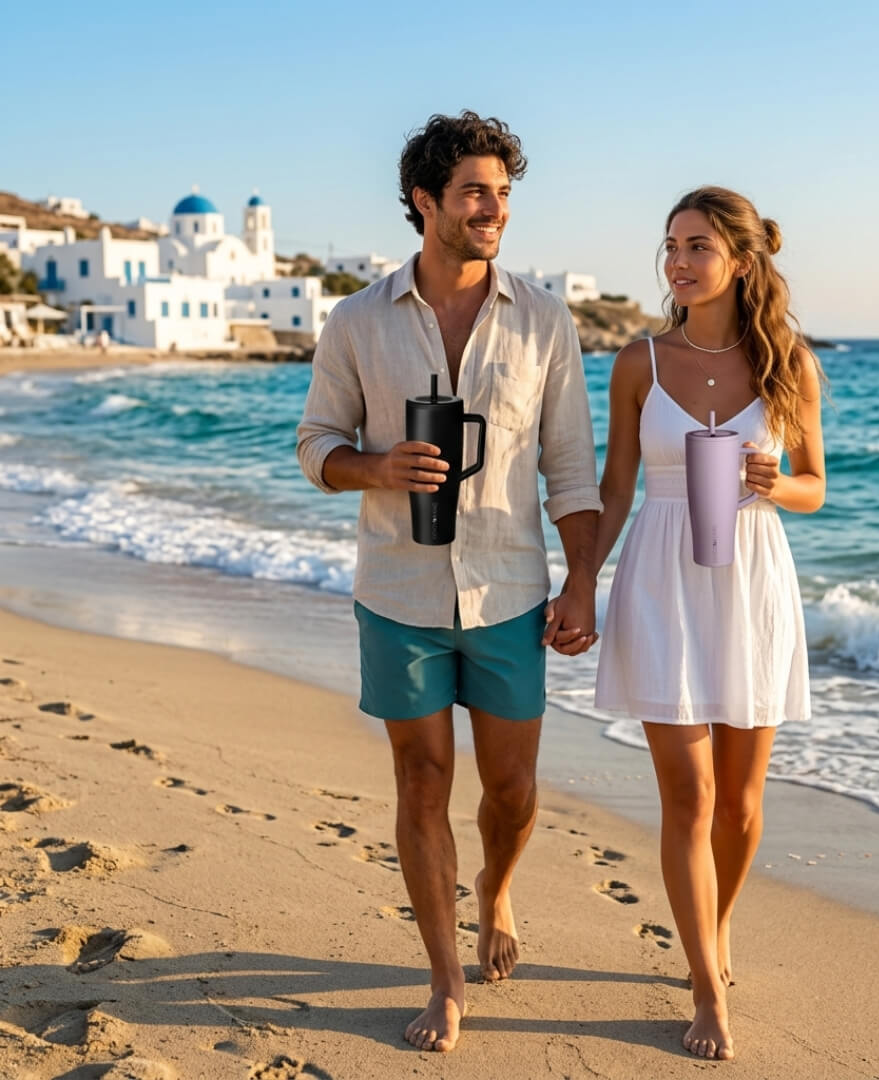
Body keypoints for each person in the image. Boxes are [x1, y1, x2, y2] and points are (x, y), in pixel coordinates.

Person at [296, 111, 601, 1054]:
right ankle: (444, 976)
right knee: (421, 780)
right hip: (399, 595)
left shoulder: (545, 320)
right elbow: (315, 446)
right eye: (474, 192)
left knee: (510, 791)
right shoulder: (355, 320)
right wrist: (377, 468)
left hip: (511, 592)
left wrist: (581, 583)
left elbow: (571, 470)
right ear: (425, 202)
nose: (493, 209)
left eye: (503, 194)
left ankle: (496, 888)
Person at [592, 187, 826, 1061]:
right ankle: (703, 984)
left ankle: (715, 932)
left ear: (740, 257)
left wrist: (775, 482)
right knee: (688, 797)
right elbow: (618, 488)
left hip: (753, 579)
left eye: (696, 247)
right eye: (670, 247)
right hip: (660, 576)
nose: (678, 264)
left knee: (742, 803)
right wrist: (580, 581)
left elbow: (814, 487)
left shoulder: (787, 363)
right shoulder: (638, 364)